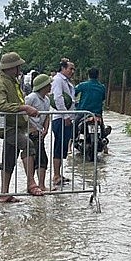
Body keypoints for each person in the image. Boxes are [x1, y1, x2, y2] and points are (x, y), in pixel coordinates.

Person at [0, 52, 42, 201]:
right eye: (18, 66)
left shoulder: (11, 80)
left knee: (9, 157)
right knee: (28, 145)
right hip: (6, 125)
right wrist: (24, 108)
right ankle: (31, 183)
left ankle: (4, 194)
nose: (20, 69)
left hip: (14, 124)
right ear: (11, 67)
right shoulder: (0, 83)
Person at [51, 58, 76, 186]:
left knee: (63, 147)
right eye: (70, 68)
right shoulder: (58, 80)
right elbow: (58, 98)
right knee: (59, 146)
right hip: (60, 118)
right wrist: (65, 115)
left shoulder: (67, 81)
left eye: (73, 69)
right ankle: (55, 175)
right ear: (63, 68)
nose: (72, 71)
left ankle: (59, 174)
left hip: (67, 118)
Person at [26, 73, 52, 193]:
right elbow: (23, 114)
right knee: (34, 157)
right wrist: (31, 128)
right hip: (30, 133)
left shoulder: (46, 100)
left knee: (42, 159)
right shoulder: (31, 97)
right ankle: (34, 184)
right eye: (48, 84)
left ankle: (41, 184)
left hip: (40, 132)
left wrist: (46, 129)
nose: (51, 86)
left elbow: (47, 116)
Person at [74, 67, 108, 147]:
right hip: (97, 114)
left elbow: (73, 92)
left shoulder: (83, 85)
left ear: (88, 75)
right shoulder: (102, 87)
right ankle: (103, 140)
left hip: (83, 112)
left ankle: (74, 139)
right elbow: (103, 98)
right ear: (98, 76)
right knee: (102, 127)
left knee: (74, 125)